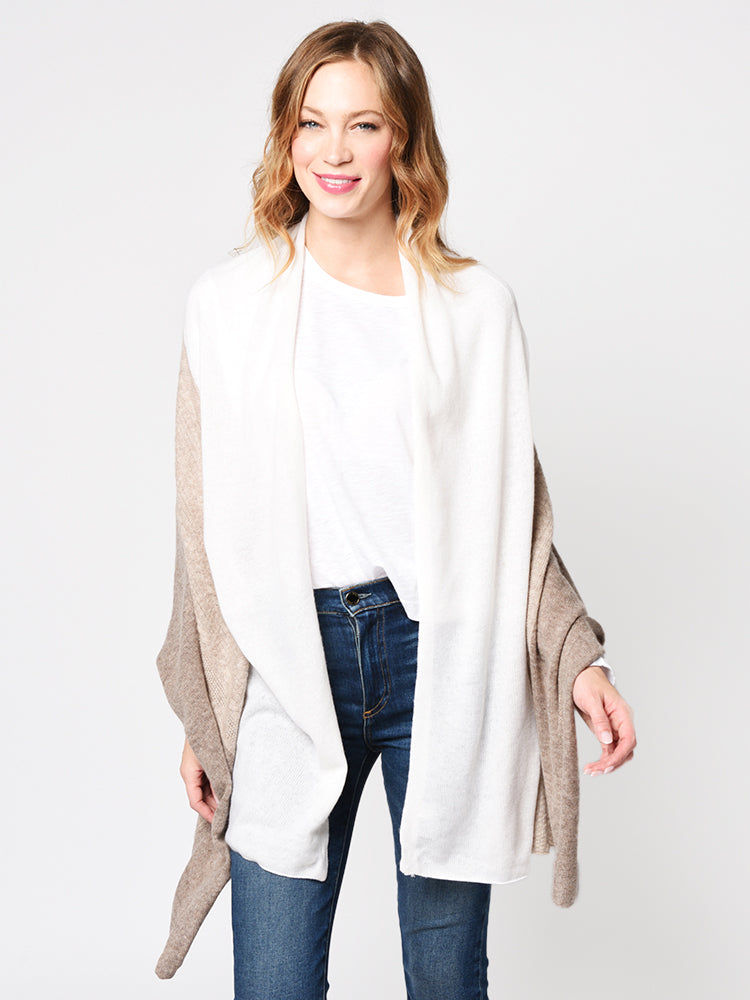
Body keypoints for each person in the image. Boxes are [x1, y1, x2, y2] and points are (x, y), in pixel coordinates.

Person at [155, 19, 636, 999]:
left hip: (440, 655)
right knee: (274, 981)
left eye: (364, 124)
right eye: (312, 122)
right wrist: (208, 707)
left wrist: (577, 657)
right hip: (291, 657)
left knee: (448, 977)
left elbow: (510, 518)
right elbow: (206, 532)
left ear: (402, 138)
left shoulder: (474, 309)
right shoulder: (228, 305)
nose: (334, 151)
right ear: (287, 136)